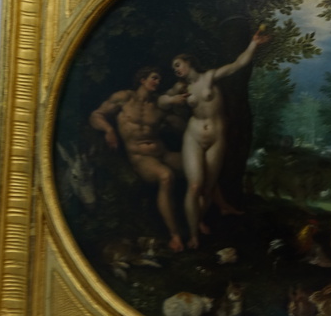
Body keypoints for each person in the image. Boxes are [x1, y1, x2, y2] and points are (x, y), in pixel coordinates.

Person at [163, 27, 269, 249]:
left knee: (207, 188)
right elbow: (160, 101)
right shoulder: (181, 87)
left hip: (217, 137)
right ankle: (193, 236)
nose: (176, 70)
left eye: (178, 64)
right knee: (194, 186)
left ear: (189, 62)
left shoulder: (209, 77)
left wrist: (253, 44)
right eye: (174, 68)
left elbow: (238, 64)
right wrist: (172, 100)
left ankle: (197, 221)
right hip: (193, 136)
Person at [90, 67, 186, 252]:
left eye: (159, 80)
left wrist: (179, 110)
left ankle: (202, 220)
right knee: (166, 176)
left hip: (163, 152)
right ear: (142, 80)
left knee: (197, 166)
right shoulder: (124, 98)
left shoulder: (159, 104)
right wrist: (108, 130)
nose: (157, 82)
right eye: (154, 78)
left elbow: (180, 126)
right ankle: (175, 235)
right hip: (141, 157)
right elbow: (96, 115)